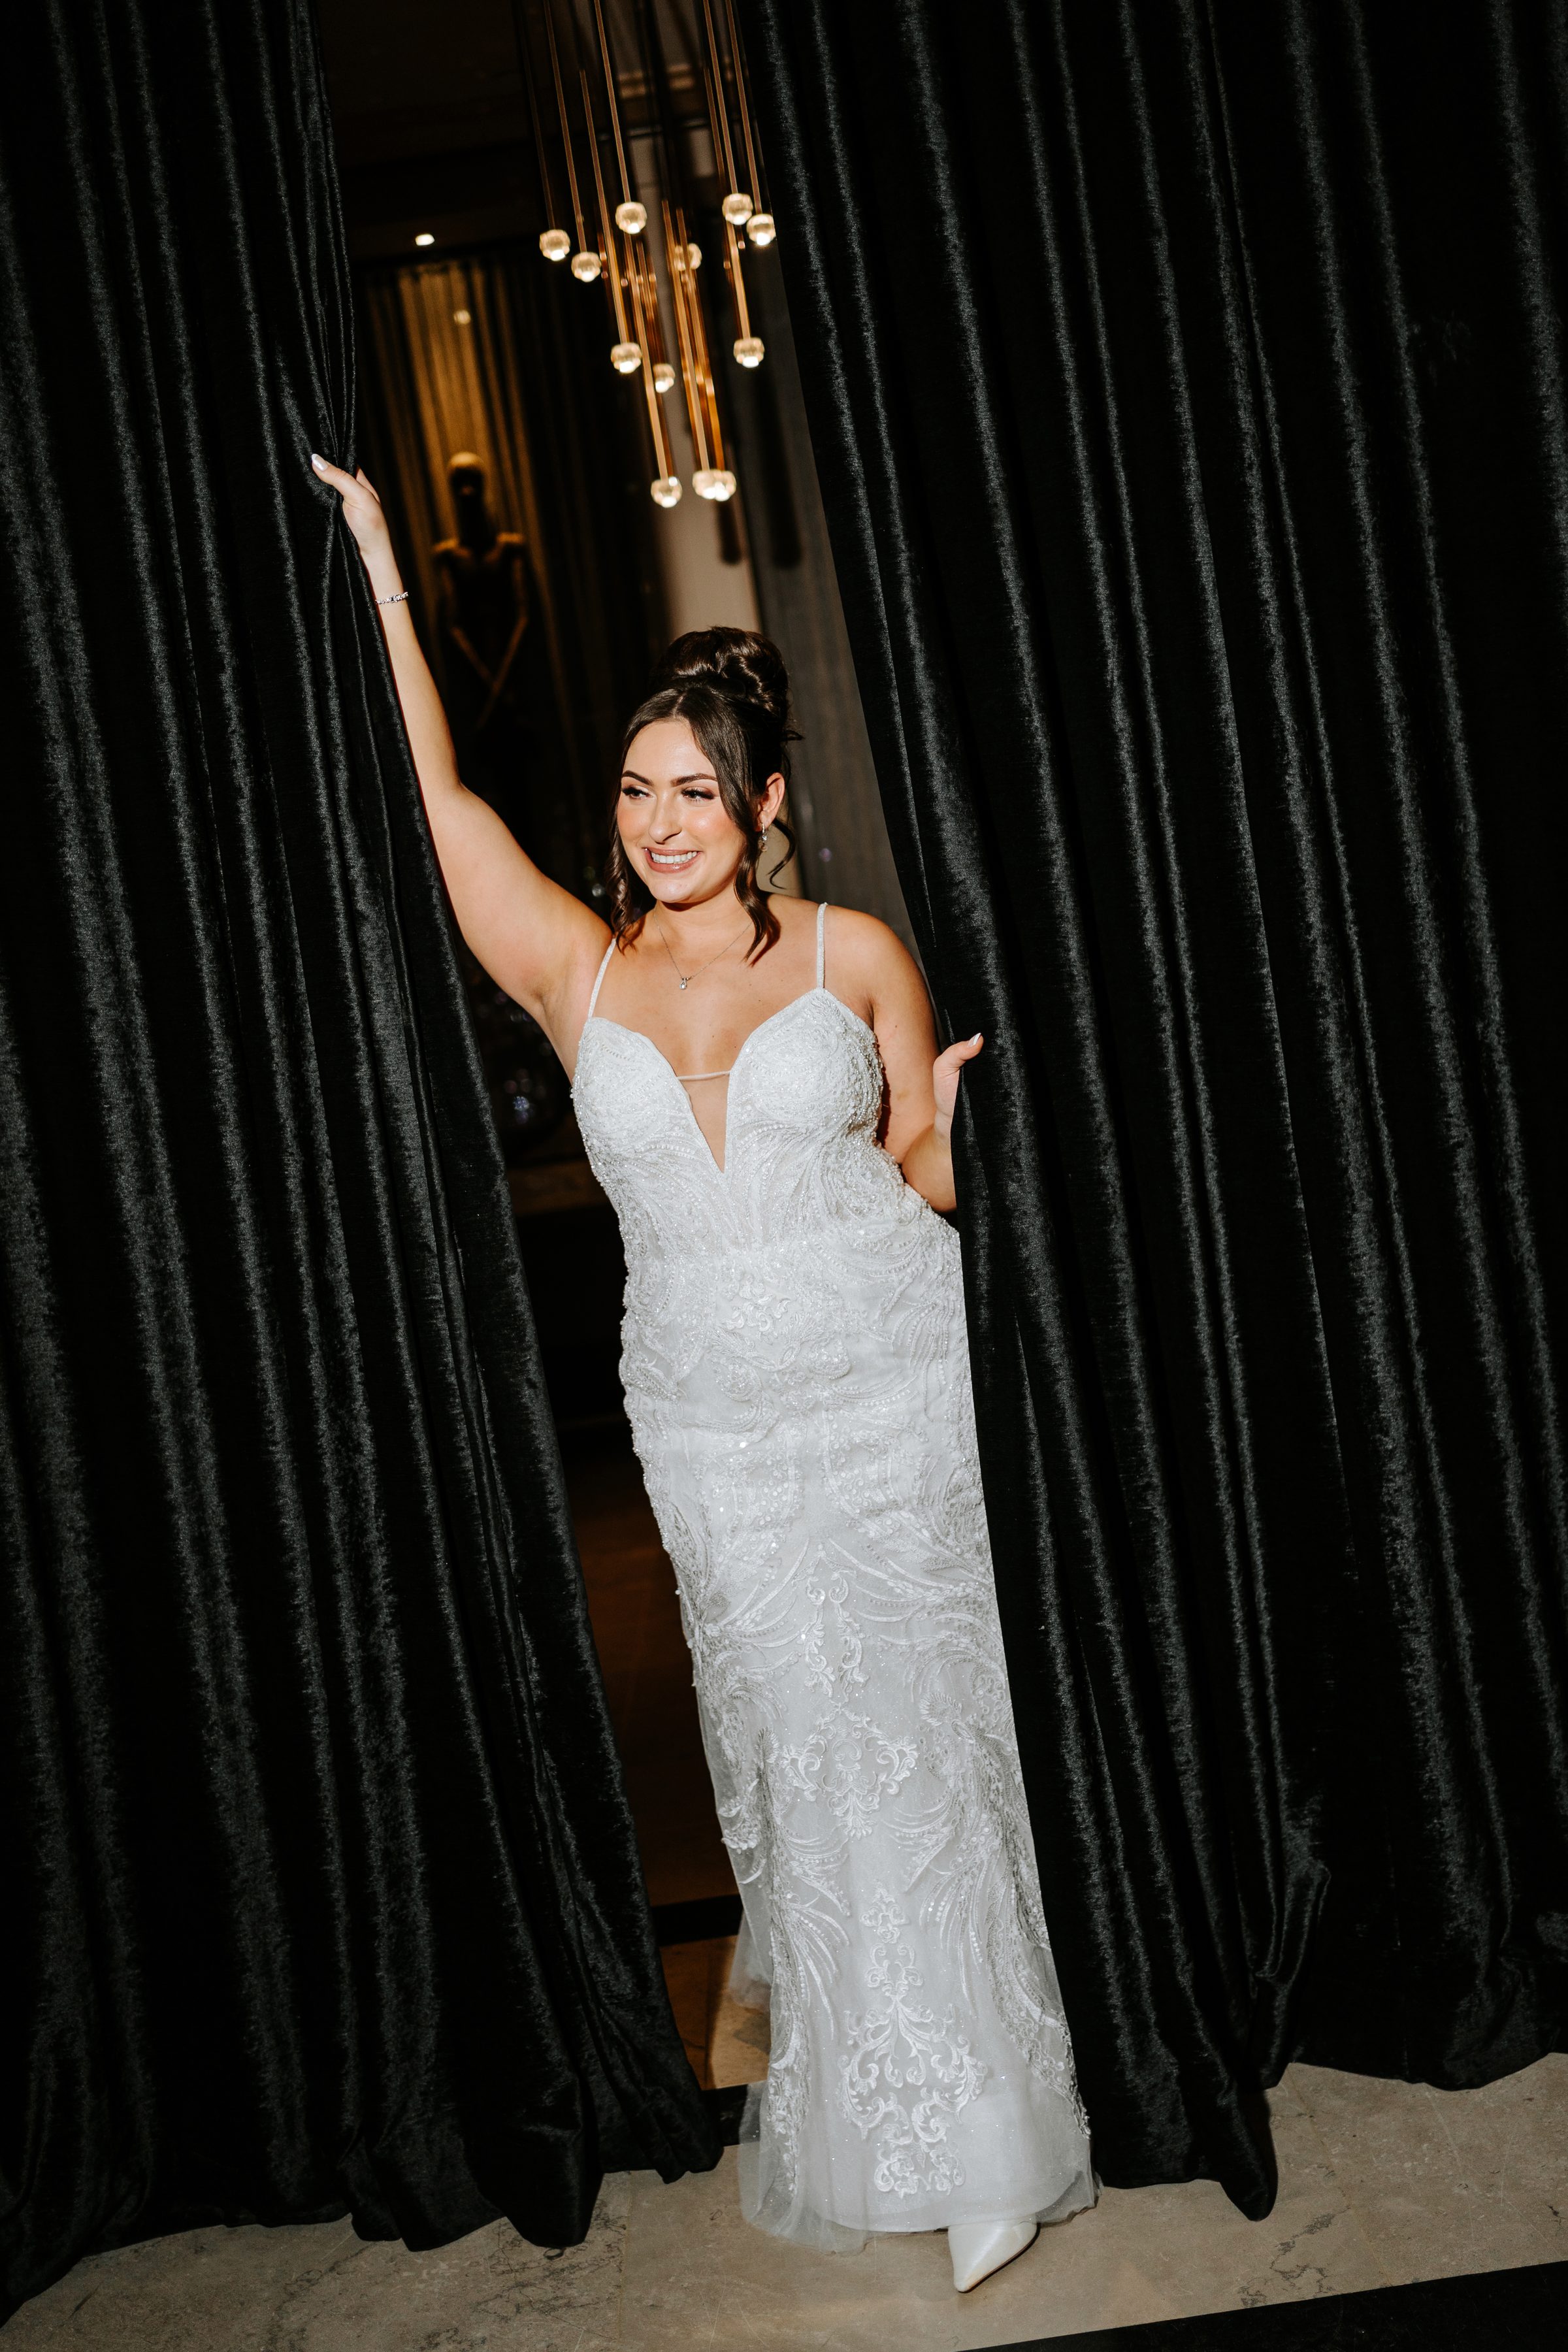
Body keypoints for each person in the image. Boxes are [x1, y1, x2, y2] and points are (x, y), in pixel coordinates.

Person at [312, 453, 1094, 2291]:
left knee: (924, 1745)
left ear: (761, 802)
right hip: (716, 1431)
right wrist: (378, 575)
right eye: (637, 791)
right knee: (794, 1754)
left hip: (893, 1391)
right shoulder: (576, 977)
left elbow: (922, 1175)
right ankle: (864, 2106)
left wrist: (957, 1124)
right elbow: (433, 803)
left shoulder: (857, 951)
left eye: (695, 792)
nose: (663, 823)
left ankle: (985, 2121)